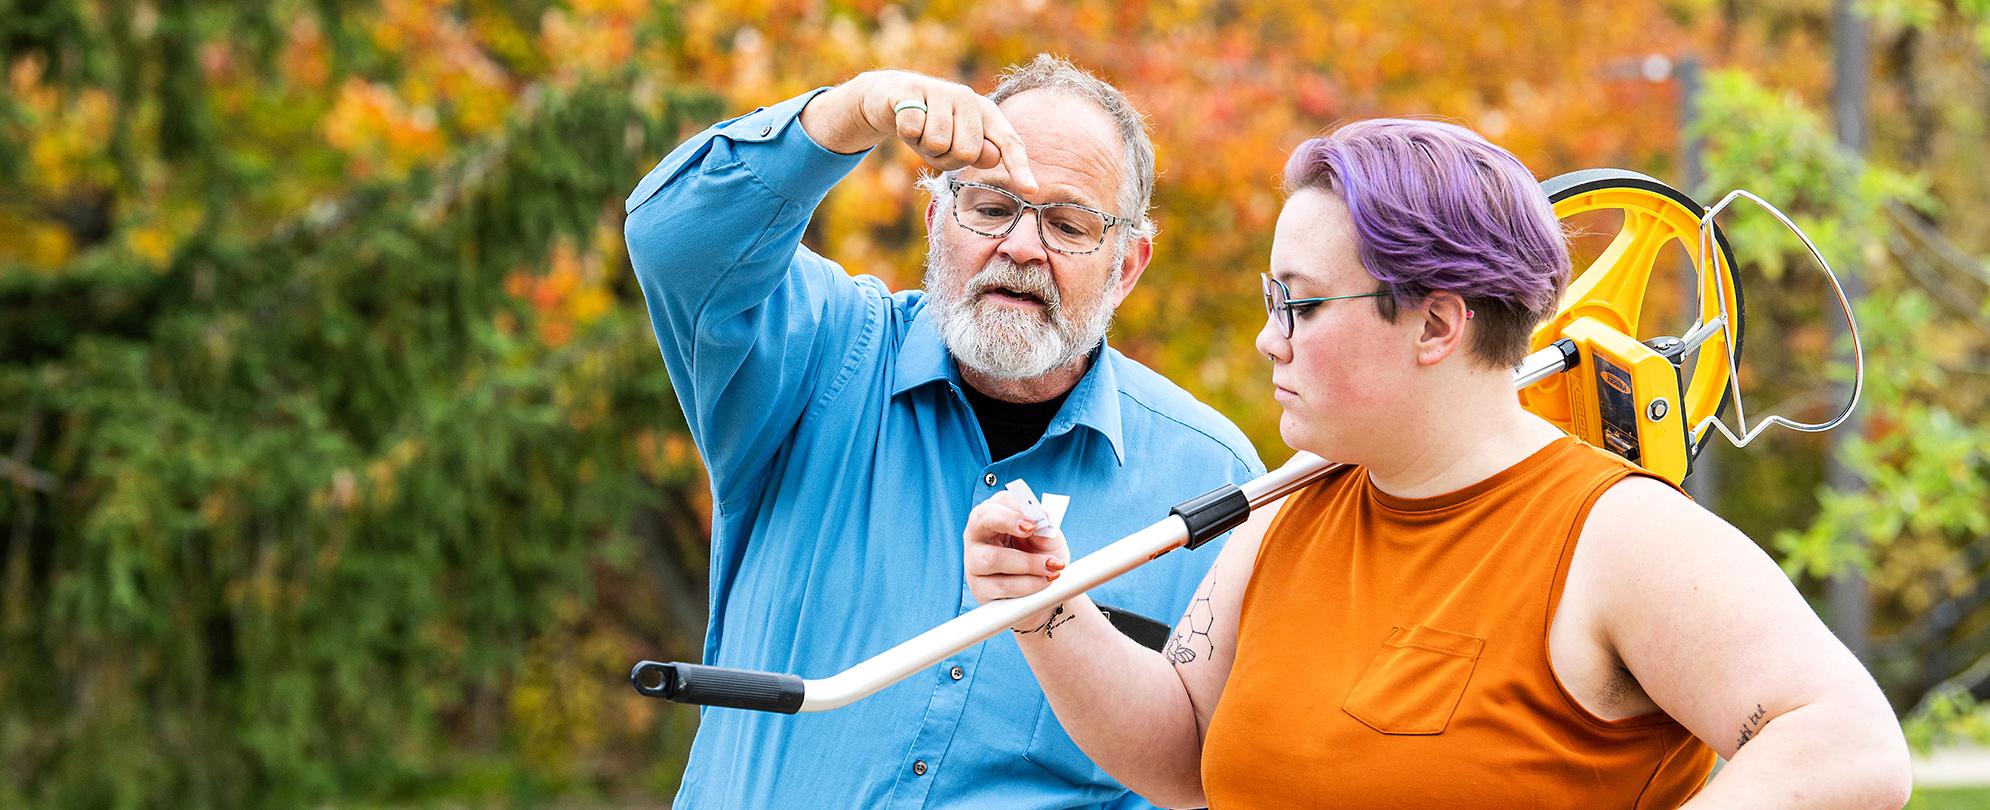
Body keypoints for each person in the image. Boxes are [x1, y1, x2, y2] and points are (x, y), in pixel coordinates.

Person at [964, 118, 1913, 808]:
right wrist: (1049, 610)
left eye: (1299, 303)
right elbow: (1184, 752)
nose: (1267, 340)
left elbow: (1848, 744)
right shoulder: (1288, 511)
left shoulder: (1618, 536)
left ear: (1436, 323)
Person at [623, 55, 1263, 808]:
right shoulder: (819, 354)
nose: (1024, 247)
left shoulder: (1211, 480)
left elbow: (1210, 769)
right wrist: (851, 109)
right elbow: (674, 240)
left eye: (1067, 223)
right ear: (936, 223)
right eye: (992, 207)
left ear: (1125, 269)